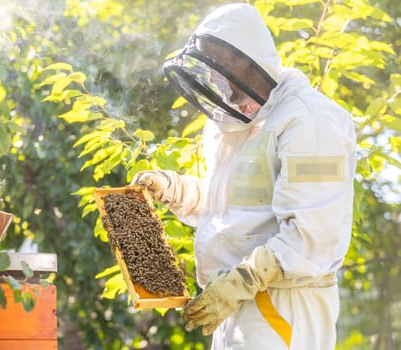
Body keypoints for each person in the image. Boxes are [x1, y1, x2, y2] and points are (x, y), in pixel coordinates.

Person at [131, 3, 356, 349]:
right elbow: (229, 206)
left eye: (220, 65)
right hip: (234, 303)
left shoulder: (310, 121)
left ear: (250, 62)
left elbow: (313, 235)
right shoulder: (237, 125)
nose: (216, 79)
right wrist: (173, 189)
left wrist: (244, 279)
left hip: (283, 305)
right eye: (210, 67)